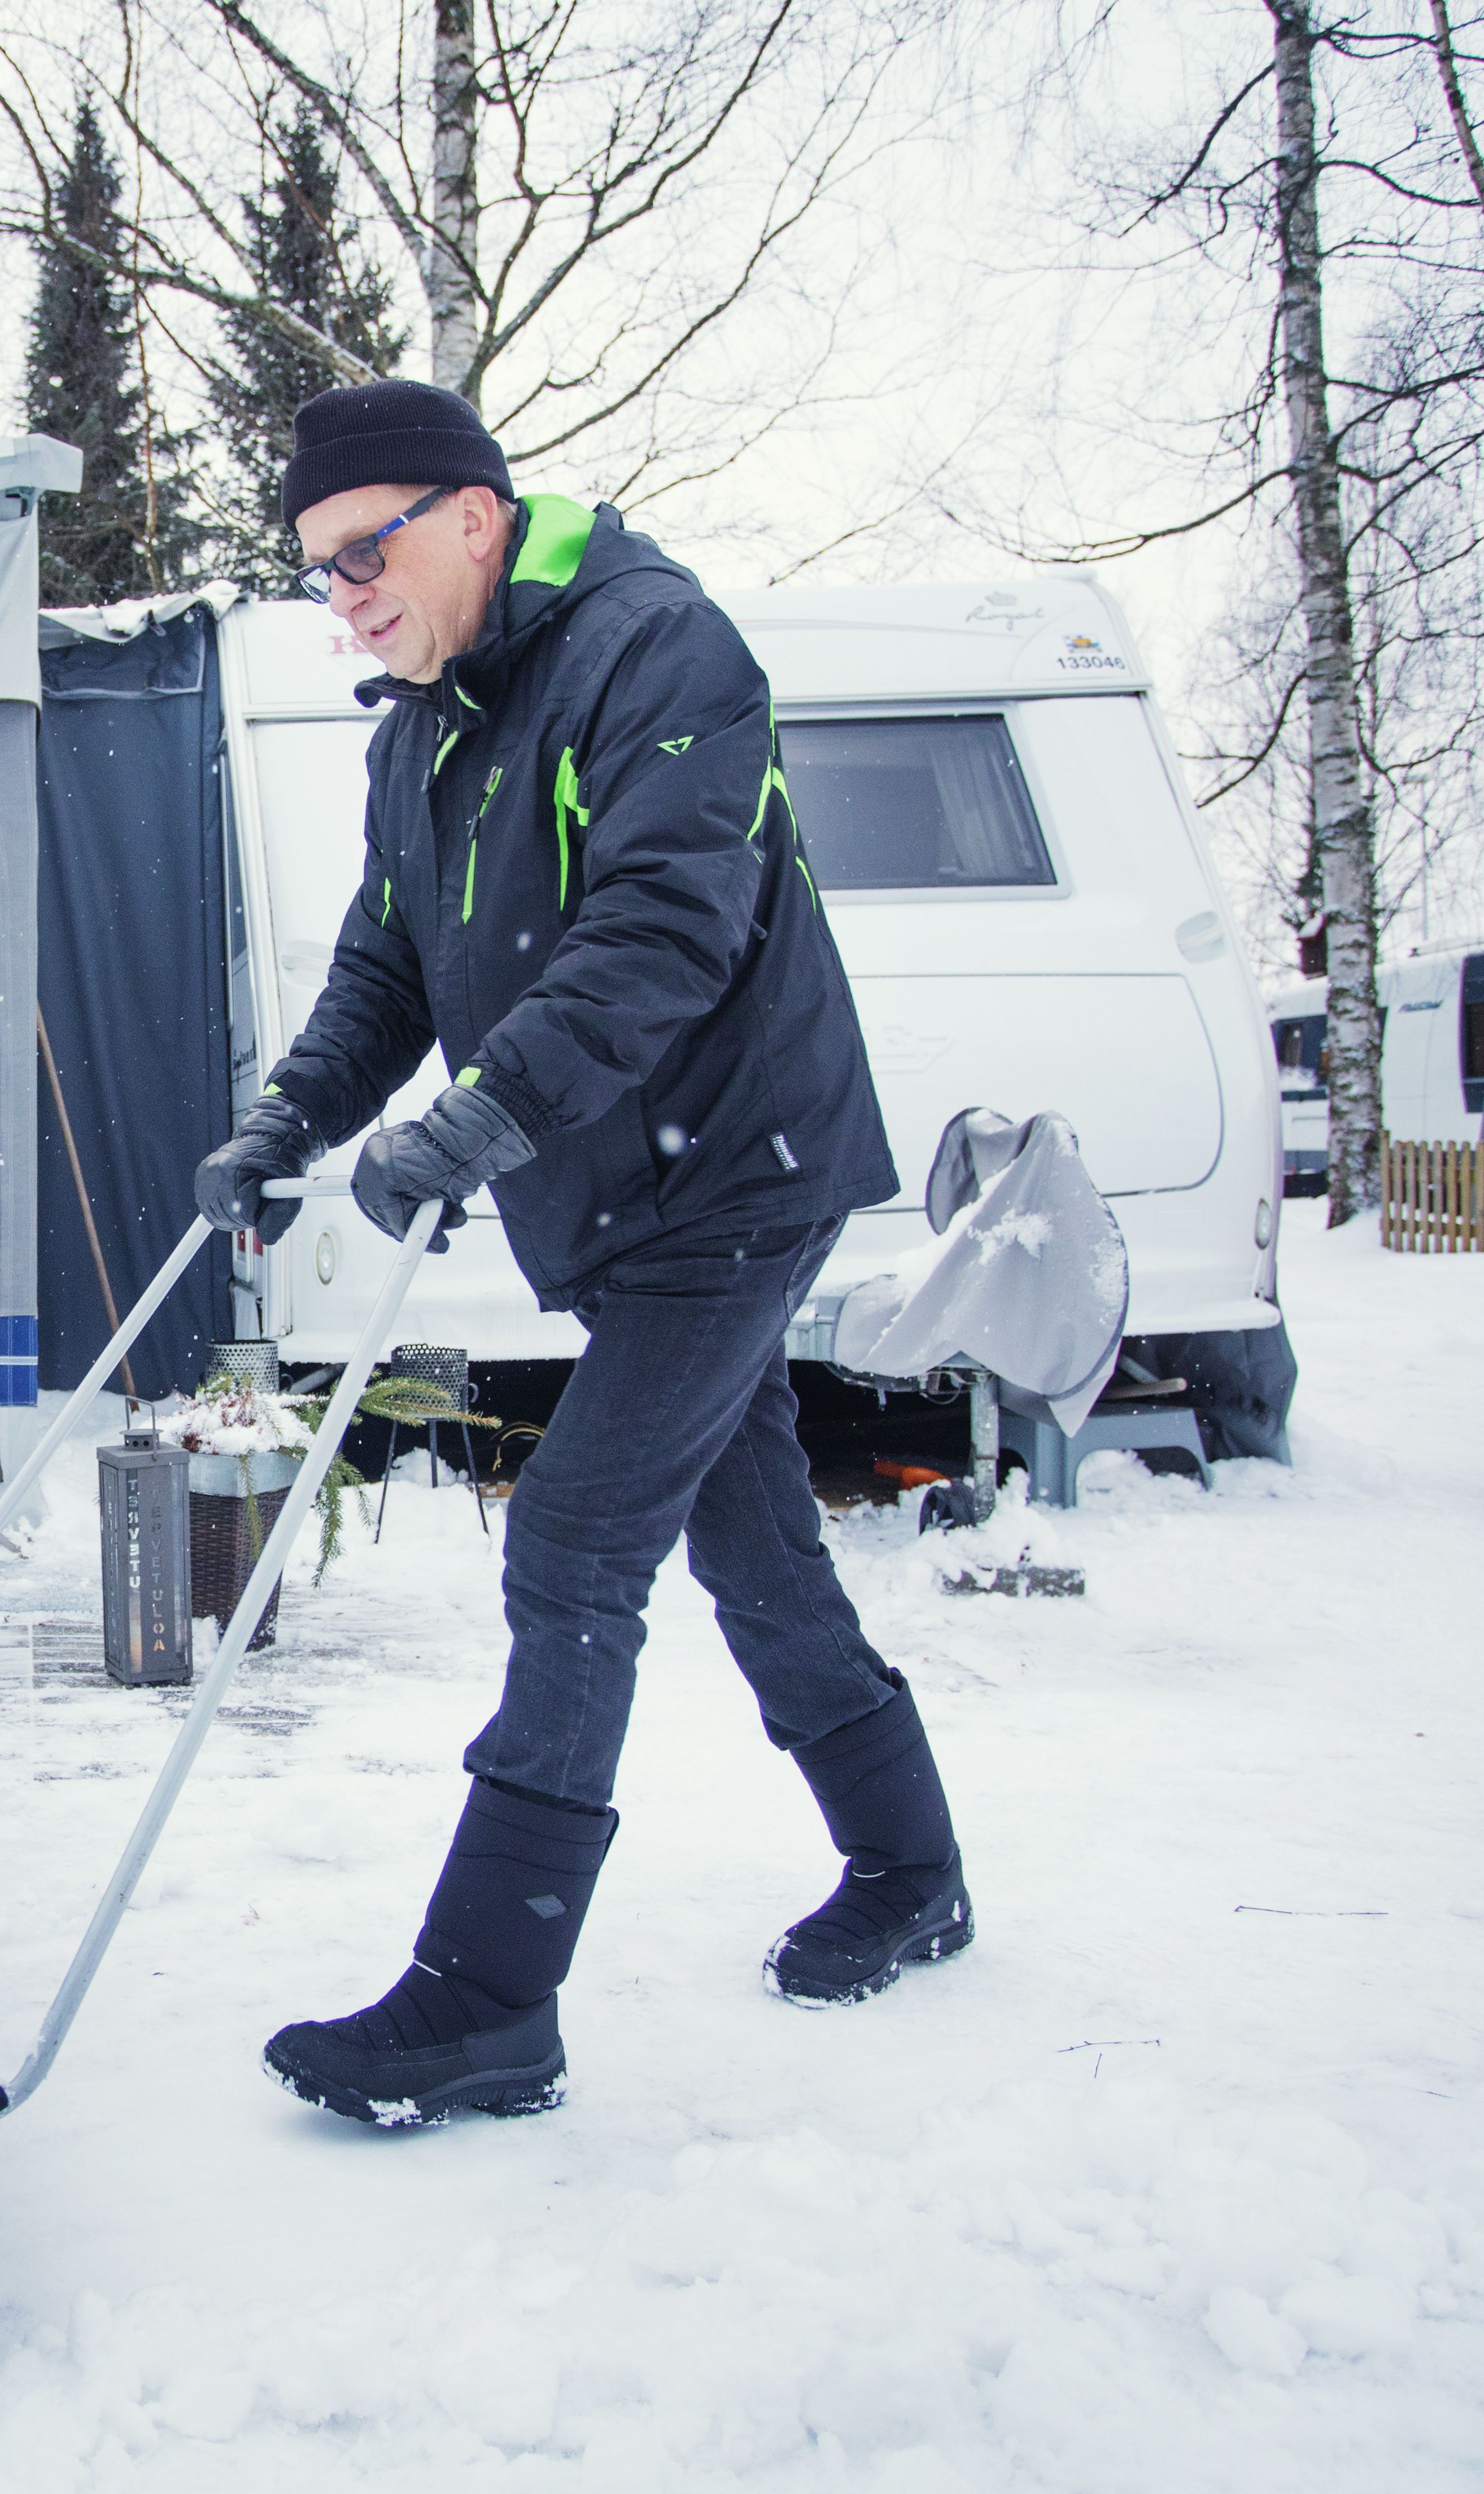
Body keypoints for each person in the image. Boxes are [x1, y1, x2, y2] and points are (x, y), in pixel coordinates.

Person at [195, 380, 968, 2129]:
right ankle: (911, 1869)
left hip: (738, 1173)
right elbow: (381, 971)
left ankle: (484, 1999)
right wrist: (286, 1121)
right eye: (318, 572)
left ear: (473, 512)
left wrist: (478, 1120)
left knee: (569, 1541)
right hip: (618, 1192)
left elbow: (660, 927)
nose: (345, 595)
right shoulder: (424, 725)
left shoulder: (653, 650)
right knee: (756, 1551)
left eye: (364, 550)